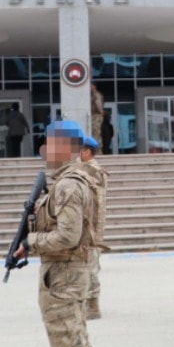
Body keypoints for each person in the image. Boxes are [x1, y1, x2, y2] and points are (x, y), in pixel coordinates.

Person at [11, 120, 100, 347]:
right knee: (77, 339)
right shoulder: (71, 179)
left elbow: (68, 235)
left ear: (63, 146)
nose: (42, 150)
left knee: (71, 345)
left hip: (64, 276)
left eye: (47, 143)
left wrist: (32, 241)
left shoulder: (68, 185)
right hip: (67, 274)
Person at [78, 134, 109, 321]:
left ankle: (92, 303)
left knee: (90, 265)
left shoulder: (92, 171)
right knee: (87, 264)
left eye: (79, 150)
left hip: (89, 226)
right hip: (88, 225)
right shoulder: (89, 170)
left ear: (87, 152)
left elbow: (94, 203)